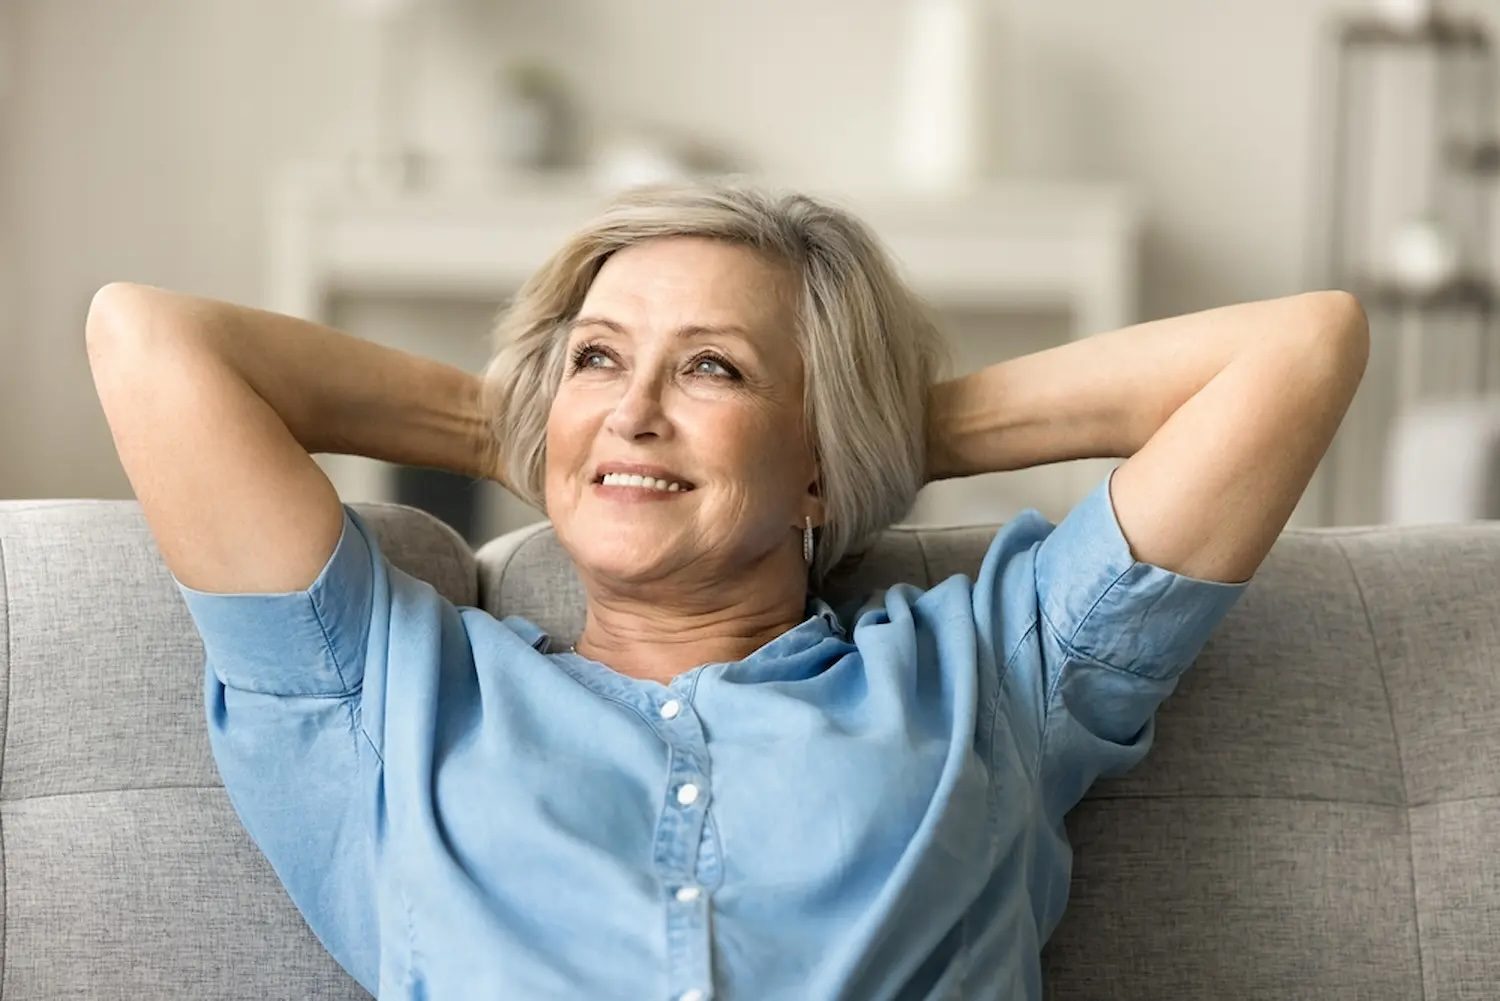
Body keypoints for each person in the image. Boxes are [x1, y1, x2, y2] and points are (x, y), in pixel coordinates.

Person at [85, 181, 1369, 1000]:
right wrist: (538, 430)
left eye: (713, 367)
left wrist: (872, 434)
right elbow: (145, 338)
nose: (634, 408)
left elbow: (1301, 349)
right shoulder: (386, 693)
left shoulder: (988, 678)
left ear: (818, 462)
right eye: (599, 357)